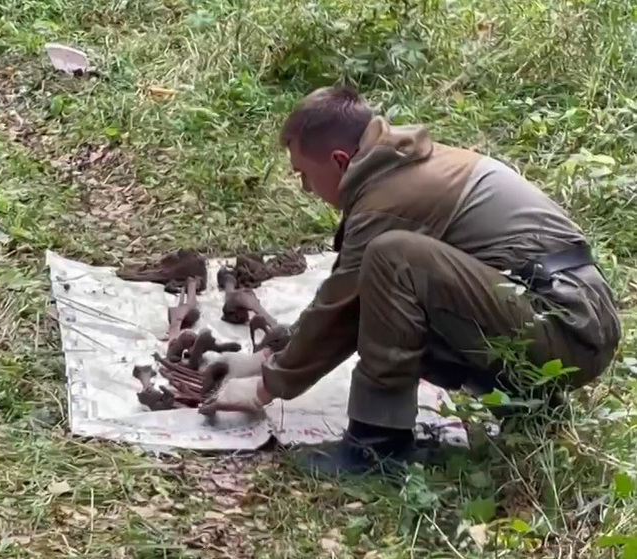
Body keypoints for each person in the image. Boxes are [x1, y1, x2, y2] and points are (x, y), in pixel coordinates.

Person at [199, 86, 621, 476]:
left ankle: (377, 447)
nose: (307, 188)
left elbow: (342, 305)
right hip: (563, 318)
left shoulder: (391, 195)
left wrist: (264, 386)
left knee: (393, 257)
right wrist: (264, 360)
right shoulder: (397, 167)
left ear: (340, 161)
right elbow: (352, 303)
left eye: (303, 175)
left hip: (567, 327)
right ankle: (531, 406)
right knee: (392, 286)